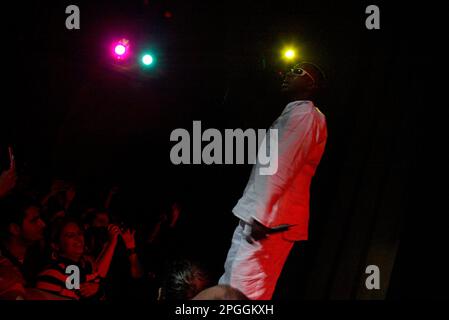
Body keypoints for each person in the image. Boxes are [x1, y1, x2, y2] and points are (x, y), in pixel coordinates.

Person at [219, 62, 328, 300]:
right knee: (231, 287)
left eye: (298, 71)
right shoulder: (298, 112)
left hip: (268, 222)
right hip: (261, 217)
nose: (289, 73)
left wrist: (261, 214)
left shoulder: (305, 114)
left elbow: (283, 165)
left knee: (243, 294)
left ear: (312, 84)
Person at [35, 218, 120, 300]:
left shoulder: (83, 266)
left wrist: (98, 288)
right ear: (55, 245)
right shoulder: (52, 274)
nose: (78, 238)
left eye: (79, 233)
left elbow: (98, 276)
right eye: (70, 235)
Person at [0, 194, 46, 299]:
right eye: (34, 220)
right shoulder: (3, 263)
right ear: (15, 229)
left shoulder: (40, 254)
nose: (43, 224)